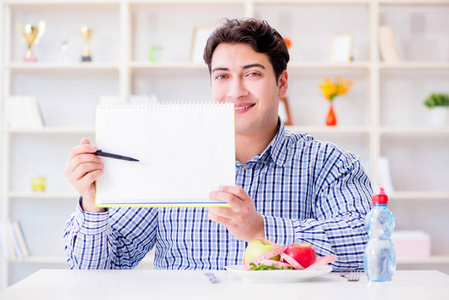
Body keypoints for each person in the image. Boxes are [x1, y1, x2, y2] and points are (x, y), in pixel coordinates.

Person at [64, 18, 372, 271]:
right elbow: (98, 268)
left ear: (281, 83)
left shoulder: (331, 163)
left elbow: (365, 245)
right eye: (222, 76)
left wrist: (261, 230)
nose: (235, 91)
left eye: (252, 74)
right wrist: (93, 206)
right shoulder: (168, 159)